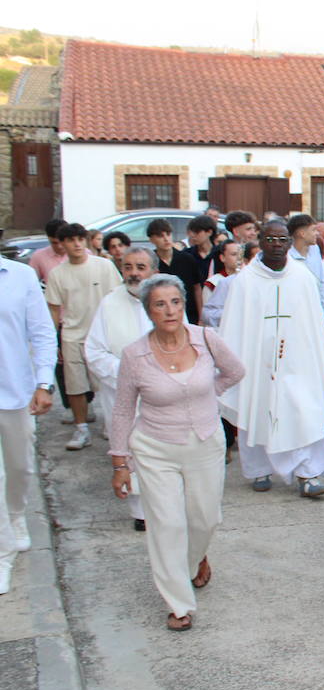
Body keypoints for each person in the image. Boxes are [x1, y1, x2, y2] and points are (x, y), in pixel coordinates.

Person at [109, 275, 245, 631]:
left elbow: (235, 371)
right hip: (155, 447)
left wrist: (206, 394)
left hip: (205, 442)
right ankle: (178, 602)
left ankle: (195, 558)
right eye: (159, 304)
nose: (169, 310)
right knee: (166, 524)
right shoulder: (134, 355)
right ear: (148, 311)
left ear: (183, 304)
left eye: (175, 302)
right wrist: (119, 462)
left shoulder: (206, 339)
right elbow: (123, 410)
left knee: (205, 518)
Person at [218, 219, 324, 498]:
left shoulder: (302, 277)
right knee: (256, 406)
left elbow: (313, 327)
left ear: (289, 242)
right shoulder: (245, 281)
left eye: (281, 240)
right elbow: (235, 326)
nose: (276, 245)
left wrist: (316, 361)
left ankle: (307, 474)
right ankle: (259, 469)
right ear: (260, 242)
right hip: (256, 360)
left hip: (297, 362)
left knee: (303, 411)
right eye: (270, 239)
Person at [86, 247, 156, 527]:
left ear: (153, 270)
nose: (134, 273)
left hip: (161, 393)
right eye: (128, 267)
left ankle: (165, 505)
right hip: (123, 392)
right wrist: (126, 373)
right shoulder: (109, 304)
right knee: (132, 449)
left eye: (141, 267)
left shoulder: (166, 299)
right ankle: (141, 512)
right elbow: (94, 351)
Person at [0, 254, 56, 595]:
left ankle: (17, 513)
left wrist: (43, 383)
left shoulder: (20, 277)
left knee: (19, 469)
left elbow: (42, 334)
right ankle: (3, 553)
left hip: (15, 392)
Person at [46, 223, 122, 451]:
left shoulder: (104, 266)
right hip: (71, 336)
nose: (77, 244)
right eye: (71, 240)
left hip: (103, 335)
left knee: (110, 382)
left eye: (81, 239)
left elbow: (117, 298)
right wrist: (55, 341)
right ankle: (81, 429)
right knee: (75, 386)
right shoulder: (57, 274)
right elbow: (53, 309)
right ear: (62, 244)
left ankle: (112, 424)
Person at [147, 218, 203, 325]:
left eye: (168, 234)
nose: (166, 239)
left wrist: (200, 316)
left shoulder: (187, 259)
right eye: (160, 236)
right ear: (152, 239)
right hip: (163, 316)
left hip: (189, 313)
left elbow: (197, 288)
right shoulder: (150, 262)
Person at [287, 213, 324, 322]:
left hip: (316, 309)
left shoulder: (315, 249)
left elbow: (322, 281)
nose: (317, 234)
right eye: (313, 230)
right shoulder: (287, 255)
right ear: (302, 233)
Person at [198, 241, 243, 327]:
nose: (238, 258)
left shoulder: (247, 280)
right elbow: (208, 315)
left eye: (241, 255)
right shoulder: (213, 283)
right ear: (222, 258)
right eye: (234, 254)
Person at [29, 219, 66, 283]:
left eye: (62, 242)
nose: (59, 246)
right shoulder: (38, 256)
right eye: (54, 243)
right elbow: (31, 282)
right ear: (48, 239)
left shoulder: (84, 254)